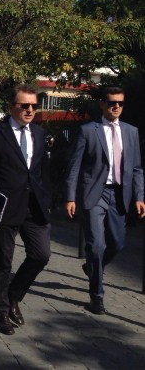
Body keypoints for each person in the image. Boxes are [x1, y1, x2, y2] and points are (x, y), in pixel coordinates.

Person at [65, 86, 145, 314]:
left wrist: (140, 197)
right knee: (96, 245)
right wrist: (70, 197)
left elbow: (137, 168)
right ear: (102, 104)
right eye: (111, 102)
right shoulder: (89, 130)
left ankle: (91, 266)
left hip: (120, 195)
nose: (116, 106)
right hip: (94, 194)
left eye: (120, 102)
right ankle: (96, 297)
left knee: (117, 244)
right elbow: (75, 166)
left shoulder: (131, 131)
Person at [0, 84, 51, 336]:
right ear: (12, 107)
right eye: (25, 106)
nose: (30, 110)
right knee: (2, 262)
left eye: (34, 106)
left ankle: (14, 295)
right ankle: (1, 314)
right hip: (5, 207)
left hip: (34, 207)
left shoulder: (40, 134)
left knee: (41, 255)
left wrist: (47, 198)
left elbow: (40, 171)